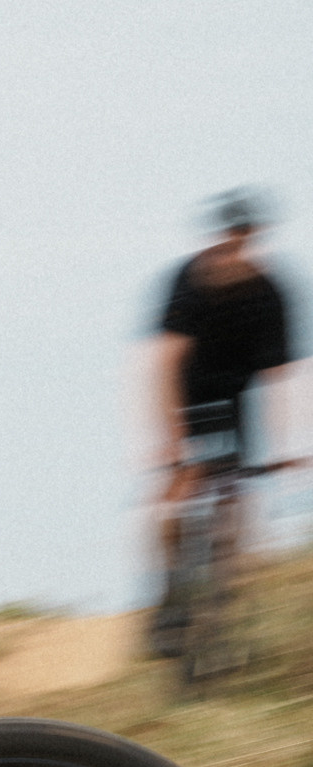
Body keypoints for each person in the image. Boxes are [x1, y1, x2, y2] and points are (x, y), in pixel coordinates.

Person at [147, 188, 299, 655]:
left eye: (244, 240)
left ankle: (223, 609)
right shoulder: (187, 282)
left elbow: (279, 379)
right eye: (227, 240)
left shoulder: (271, 293)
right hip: (186, 392)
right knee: (174, 494)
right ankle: (169, 594)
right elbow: (164, 363)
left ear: (254, 238)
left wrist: (282, 450)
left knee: (236, 498)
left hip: (236, 397)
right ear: (217, 237)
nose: (234, 250)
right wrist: (170, 442)